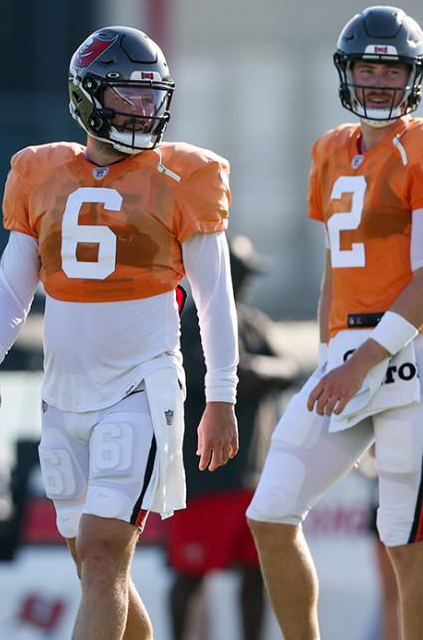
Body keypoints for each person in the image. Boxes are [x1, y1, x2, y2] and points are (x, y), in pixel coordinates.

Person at [0, 26, 241, 640]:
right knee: (96, 567)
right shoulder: (40, 173)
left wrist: (221, 396)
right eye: (127, 94)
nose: (143, 109)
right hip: (62, 394)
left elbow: (214, 298)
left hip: (140, 386)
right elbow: (13, 284)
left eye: (151, 95)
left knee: (101, 555)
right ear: (86, 96)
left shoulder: (183, 176)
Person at [245, 5, 423, 640]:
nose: (378, 81)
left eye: (392, 69)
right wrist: (333, 355)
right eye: (367, 68)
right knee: (270, 515)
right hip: (347, 350)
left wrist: (360, 364)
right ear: (346, 71)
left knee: (407, 540)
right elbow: (335, 270)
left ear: (414, 76)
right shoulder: (330, 151)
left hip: (413, 352)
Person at [165, 236, 298, 640]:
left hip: (253, 476)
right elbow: (209, 375)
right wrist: (256, 374)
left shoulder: (252, 321)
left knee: (256, 574)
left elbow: (290, 367)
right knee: (190, 575)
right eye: (241, 273)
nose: (248, 282)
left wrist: (258, 372)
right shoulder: (187, 320)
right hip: (203, 478)